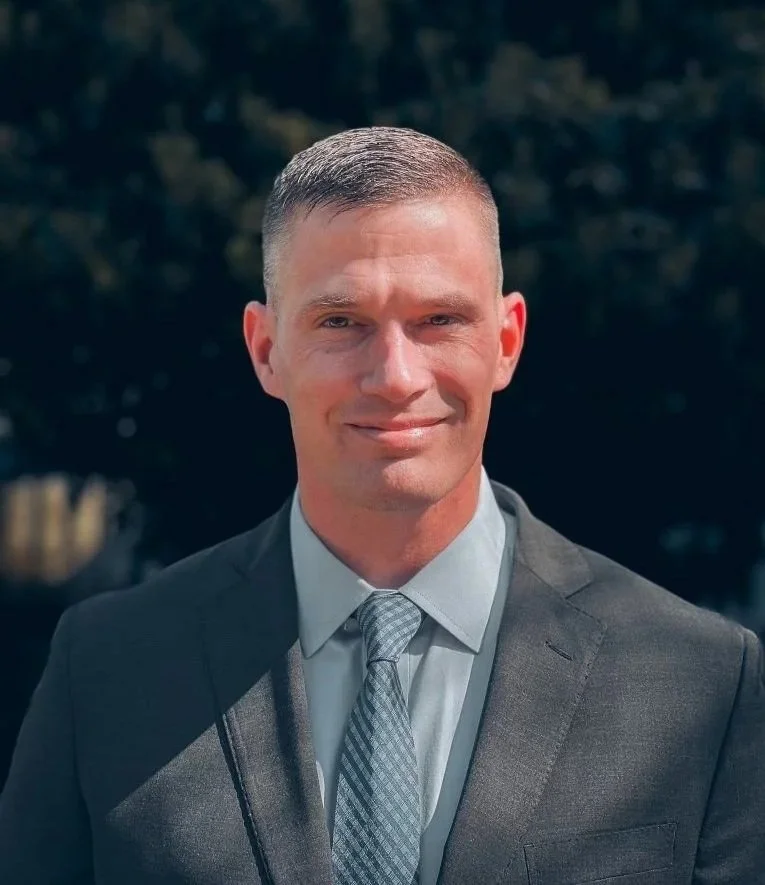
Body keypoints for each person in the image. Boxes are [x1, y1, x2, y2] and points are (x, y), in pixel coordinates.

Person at [0, 127, 763, 885]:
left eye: (439, 320)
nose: (395, 376)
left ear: (505, 340)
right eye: (341, 322)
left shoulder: (699, 681)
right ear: (266, 349)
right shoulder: (107, 667)